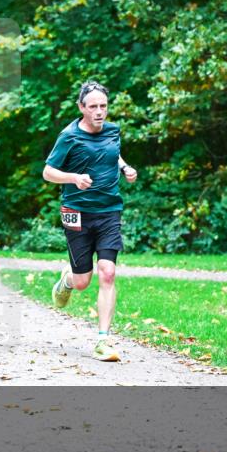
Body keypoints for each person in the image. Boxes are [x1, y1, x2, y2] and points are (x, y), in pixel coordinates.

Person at [42, 80, 138, 362]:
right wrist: (73, 178)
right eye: (93, 106)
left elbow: (112, 153)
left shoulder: (112, 131)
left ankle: (103, 341)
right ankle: (68, 280)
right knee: (83, 281)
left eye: (103, 106)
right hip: (77, 211)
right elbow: (48, 171)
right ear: (81, 107)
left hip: (109, 210)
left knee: (107, 272)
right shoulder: (69, 136)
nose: (99, 112)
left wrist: (124, 167)